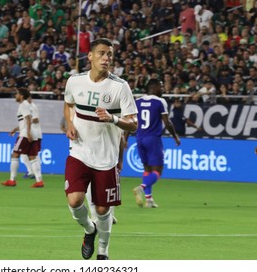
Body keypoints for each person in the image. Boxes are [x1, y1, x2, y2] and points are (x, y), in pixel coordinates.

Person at [64, 38, 138, 260]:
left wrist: (113, 118)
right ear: (90, 56)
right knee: (75, 200)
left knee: (103, 211)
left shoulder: (119, 87)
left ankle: (103, 252)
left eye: (110, 55)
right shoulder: (74, 81)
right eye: (102, 53)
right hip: (79, 152)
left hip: (106, 158)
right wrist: (69, 124)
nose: (107, 58)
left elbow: (133, 124)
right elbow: (68, 104)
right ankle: (89, 230)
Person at [131, 79, 181, 209]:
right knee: (158, 170)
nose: (163, 89)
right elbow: (167, 122)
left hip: (139, 138)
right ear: (153, 88)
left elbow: (132, 121)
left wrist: (125, 138)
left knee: (147, 169)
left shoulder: (138, 101)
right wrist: (175, 136)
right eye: (161, 87)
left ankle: (149, 200)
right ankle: (141, 188)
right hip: (153, 139)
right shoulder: (160, 101)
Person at [1, 88, 44, 188]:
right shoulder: (27, 105)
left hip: (25, 134)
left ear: (21, 96)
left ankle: (12, 180)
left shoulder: (23, 104)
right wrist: (16, 129)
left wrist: (27, 132)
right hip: (32, 134)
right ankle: (39, 181)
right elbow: (25, 121)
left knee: (15, 155)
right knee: (32, 157)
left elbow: (28, 118)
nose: (15, 96)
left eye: (17, 94)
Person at [21, 95, 43, 180]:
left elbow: (36, 119)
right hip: (31, 132)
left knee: (32, 154)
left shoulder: (32, 107)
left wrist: (27, 122)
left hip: (34, 133)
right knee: (27, 154)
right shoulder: (27, 107)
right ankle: (32, 171)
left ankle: (33, 172)